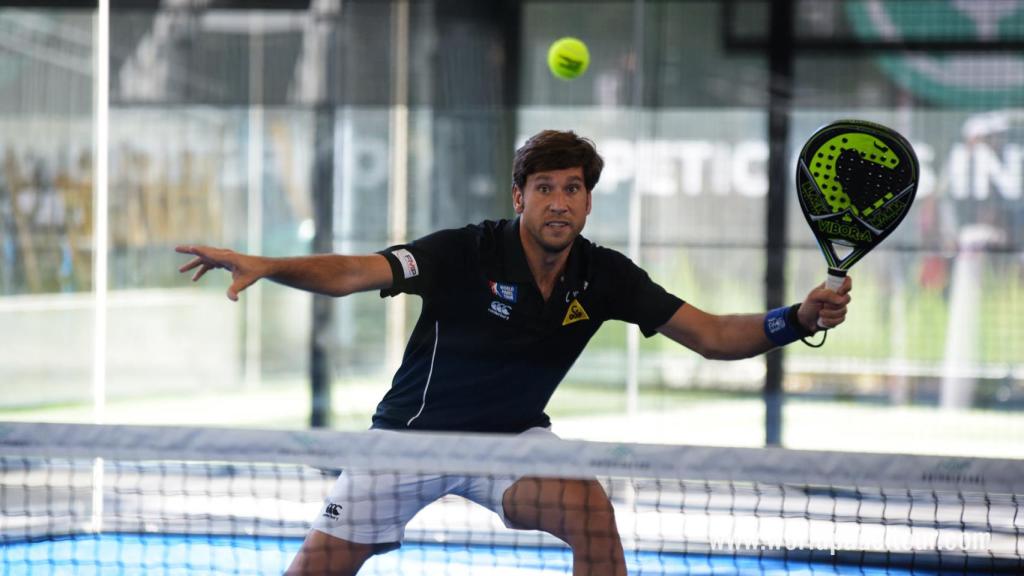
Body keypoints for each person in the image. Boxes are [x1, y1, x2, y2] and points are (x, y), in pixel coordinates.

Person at [176, 130, 852, 575]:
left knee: (592, 516)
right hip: (410, 441)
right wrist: (265, 263)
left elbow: (709, 335)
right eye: (546, 188)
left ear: (588, 203)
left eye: (573, 189)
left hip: (509, 441)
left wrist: (795, 318)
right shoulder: (465, 251)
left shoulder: (605, 274)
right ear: (519, 196)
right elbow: (352, 272)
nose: (559, 202)